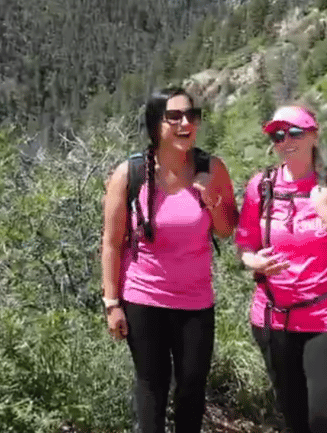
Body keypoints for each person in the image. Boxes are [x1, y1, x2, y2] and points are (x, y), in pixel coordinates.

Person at [100, 86, 239, 433]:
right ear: (154, 125)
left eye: (191, 116)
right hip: (144, 297)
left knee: (192, 387)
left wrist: (211, 199)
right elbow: (112, 242)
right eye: (173, 117)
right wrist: (111, 303)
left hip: (195, 301)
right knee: (152, 386)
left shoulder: (212, 167)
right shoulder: (129, 174)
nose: (184, 124)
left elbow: (225, 229)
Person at [235, 104, 327, 433]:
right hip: (273, 318)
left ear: (314, 134)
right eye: (277, 135)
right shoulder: (261, 187)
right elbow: (245, 245)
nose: (285, 140)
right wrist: (255, 262)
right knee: (295, 421)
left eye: (294, 132)